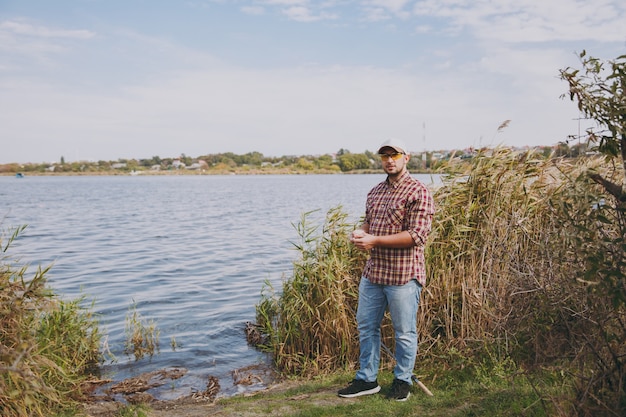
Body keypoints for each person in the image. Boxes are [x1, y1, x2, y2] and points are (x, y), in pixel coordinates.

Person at [337, 138, 435, 401]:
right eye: (384, 156)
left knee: (404, 332)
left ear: (406, 157)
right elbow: (369, 223)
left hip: (403, 275)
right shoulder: (375, 191)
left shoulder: (419, 191)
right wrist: (360, 234)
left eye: (394, 155)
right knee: (366, 327)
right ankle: (367, 379)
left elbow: (417, 235)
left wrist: (375, 240)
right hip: (373, 274)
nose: (389, 160)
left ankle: (402, 381)